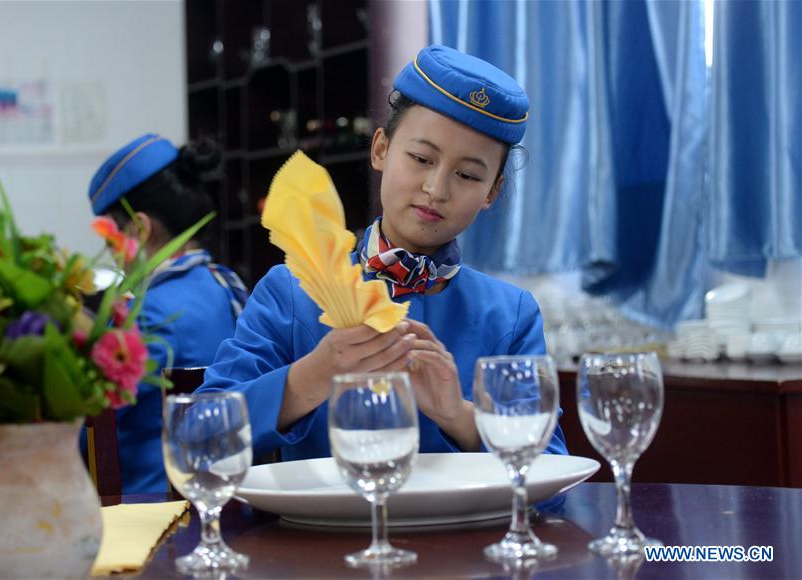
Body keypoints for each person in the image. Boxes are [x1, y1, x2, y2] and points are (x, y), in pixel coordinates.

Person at [201, 45, 567, 459]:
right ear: (380, 149)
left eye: (467, 174)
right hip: (318, 526)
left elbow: (549, 475)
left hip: (465, 527)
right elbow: (201, 435)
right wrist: (313, 376)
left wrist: (458, 415)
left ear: (492, 193)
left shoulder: (511, 314)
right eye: (421, 158)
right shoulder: (291, 291)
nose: (437, 188)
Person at [86, 133, 248, 493]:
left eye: (110, 240)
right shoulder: (225, 284)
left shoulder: (147, 314)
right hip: (227, 497)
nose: (111, 254)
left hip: (150, 511)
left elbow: (91, 432)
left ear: (140, 229)